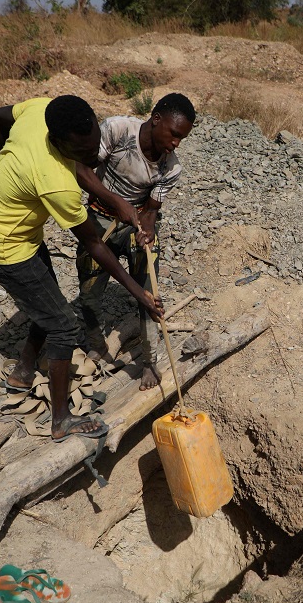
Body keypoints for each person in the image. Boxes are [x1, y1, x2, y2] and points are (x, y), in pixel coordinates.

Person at [0, 95, 163, 441]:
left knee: (48, 303)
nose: (94, 158)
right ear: (61, 145)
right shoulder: (56, 184)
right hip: (6, 247)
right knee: (62, 325)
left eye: (95, 149)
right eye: (85, 154)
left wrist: (12, 163)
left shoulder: (41, 111)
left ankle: (24, 371)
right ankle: (61, 421)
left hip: (18, 232)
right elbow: (94, 245)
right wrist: (141, 293)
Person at [74, 93, 196, 391]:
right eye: (174, 134)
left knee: (149, 295)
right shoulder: (117, 130)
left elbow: (152, 210)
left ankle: (150, 361)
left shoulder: (171, 167)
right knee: (89, 295)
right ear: (156, 119)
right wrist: (117, 202)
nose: (176, 143)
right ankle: (96, 345)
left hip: (135, 224)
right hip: (98, 218)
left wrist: (147, 230)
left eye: (182, 138)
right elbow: (82, 170)